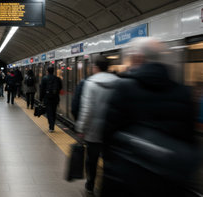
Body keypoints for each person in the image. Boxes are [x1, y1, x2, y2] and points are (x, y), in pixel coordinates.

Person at [101, 38, 197, 197]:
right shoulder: (184, 92)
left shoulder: (124, 87)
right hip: (169, 182)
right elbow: (189, 140)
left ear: (139, 58)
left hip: (129, 178)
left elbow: (109, 136)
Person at [74, 55, 119, 195]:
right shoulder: (119, 82)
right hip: (112, 130)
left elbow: (87, 109)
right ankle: (109, 186)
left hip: (93, 131)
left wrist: (81, 128)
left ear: (96, 67)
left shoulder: (90, 83)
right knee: (109, 160)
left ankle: (90, 184)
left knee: (92, 160)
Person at [39, 66, 62, 132]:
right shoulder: (57, 78)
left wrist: (41, 98)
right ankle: (52, 125)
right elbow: (60, 87)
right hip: (55, 98)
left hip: (47, 98)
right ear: (53, 71)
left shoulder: (44, 78)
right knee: (54, 112)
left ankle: (51, 127)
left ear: (47, 71)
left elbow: (42, 89)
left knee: (49, 112)